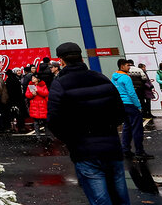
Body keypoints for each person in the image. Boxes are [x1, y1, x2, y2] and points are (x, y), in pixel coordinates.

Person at [47, 42, 128, 205]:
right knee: (120, 198)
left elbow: (54, 120)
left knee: (100, 200)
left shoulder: (60, 84)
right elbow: (120, 112)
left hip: (84, 150)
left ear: (61, 61)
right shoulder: (101, 78)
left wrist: (71, 139)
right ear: (82, 58)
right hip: (111, 147)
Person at [112, 59, 152, 160]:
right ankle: (139, 151)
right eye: (127, 65)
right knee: (137, 128)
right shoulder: (126, 78)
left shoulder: (114, 78)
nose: (129, 67)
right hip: (130, 104)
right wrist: (138, 106)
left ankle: (125, 149)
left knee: (127, 127)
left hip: (121, 105)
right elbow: (131, 93)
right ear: (122, 66)